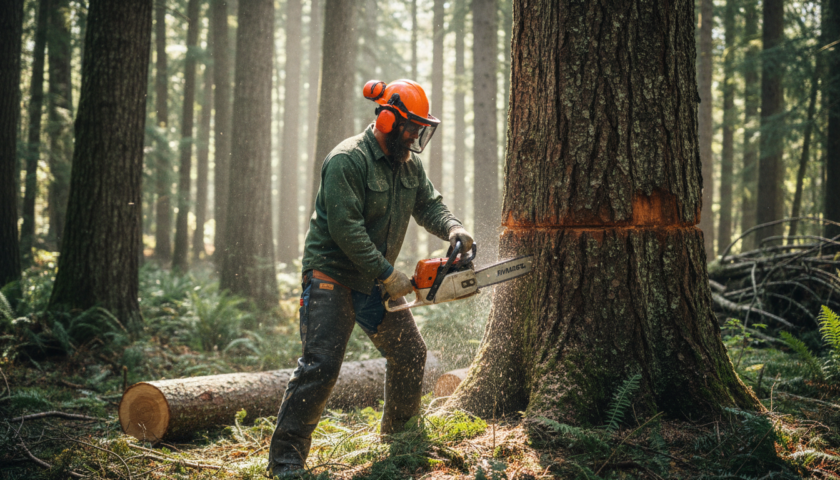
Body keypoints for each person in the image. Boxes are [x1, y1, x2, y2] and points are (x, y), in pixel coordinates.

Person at [266, 79, 474, 477]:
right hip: (333, 278)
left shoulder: (408, 164)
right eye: (411, 126)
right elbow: (346, 230)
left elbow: (428, 203)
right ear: (386, 118)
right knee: (320, 366)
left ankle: (399, 441)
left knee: (410, 354)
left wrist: (452, 228)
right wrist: (388, 274)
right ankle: (286, 464)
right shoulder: (348, 160)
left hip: (375, 282)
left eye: (420, 128)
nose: (415, 135)